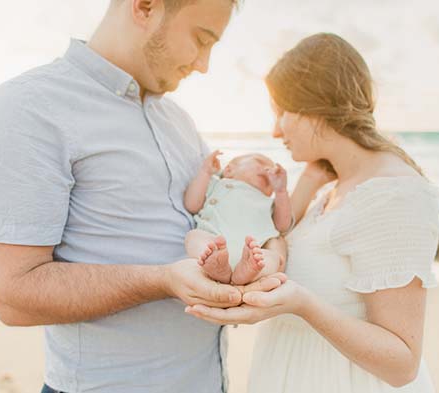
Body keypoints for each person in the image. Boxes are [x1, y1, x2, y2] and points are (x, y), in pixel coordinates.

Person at [0, 1, 289, 392]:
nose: (204, 65)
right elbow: (14, 296)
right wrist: (162, 280)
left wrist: (270, 254)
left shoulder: (179, 121)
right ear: (146, 7)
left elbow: (226, 215)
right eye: (202, 39)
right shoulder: (28, 108)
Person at [186, 33, 439, 392]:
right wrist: (309, 178)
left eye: (281, 113)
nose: (275, 131)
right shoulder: (333, 188)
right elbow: (280, 236)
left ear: (316, 108)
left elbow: (402, 364)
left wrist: (302, 304)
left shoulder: (392, 195)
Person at [185, 151, 292, 285]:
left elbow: (282, 226)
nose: (268, 169)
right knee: (193, 237)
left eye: (271, 168)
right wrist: (205, 172)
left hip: (253, 252)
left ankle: (250, 273)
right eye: (260, 162)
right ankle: (217, 266)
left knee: (274, 255)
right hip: (215, 244)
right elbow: (192, 204)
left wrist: (281, 191)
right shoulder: (217, 184)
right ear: (229, 170)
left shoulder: (268, 201)